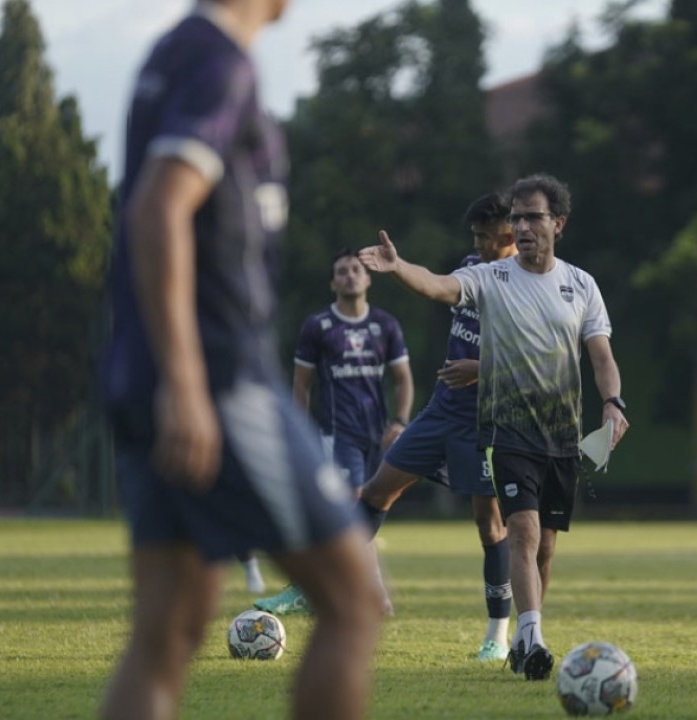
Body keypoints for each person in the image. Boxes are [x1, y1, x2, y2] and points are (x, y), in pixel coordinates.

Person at [98, 2, 383, 719]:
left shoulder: (172, 52)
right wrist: (187, 382)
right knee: (352, 600)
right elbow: (159, 208)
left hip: (146, 374)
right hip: (216, 380)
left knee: (165, 635)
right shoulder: (218, 62)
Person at [358, 173, 629, 681]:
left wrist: (612, 402)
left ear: (558, 223)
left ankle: (524, 634)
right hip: (506, 430)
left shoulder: (581, 284)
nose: (523, 226)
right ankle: (532, 638)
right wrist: (399, 268)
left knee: (545, 546)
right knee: (521, 531)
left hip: (560, 433)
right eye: (517, 218)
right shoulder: (490, 278)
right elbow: (439, 286)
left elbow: (601, 356)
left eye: (533, 218)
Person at [356, 192, 518, 662]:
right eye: (475, 236)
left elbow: (539, 360)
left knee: (489, 526)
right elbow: (434, 284)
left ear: (509, 233)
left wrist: (480, 369)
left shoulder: (528, 283)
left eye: (485, 236)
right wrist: (398, 266)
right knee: (376, 492)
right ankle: (323, 582)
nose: (478, 244)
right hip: (441, 412)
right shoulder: (472, 266)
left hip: (486, 421)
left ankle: (498, 634)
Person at [254, 249, 414, 615]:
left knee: (367, 509)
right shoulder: (319, 326)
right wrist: (299, 432)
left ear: (368, 278)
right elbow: (301, 384)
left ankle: (358, 591)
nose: (349, 276)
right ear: (332, 282)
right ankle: (346, 590)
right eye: (342, 271)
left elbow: (403, 379)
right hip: (337, 434)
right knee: (350, 507)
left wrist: (400, 420)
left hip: (378, 435)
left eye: (356, 270)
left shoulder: (385, 325)